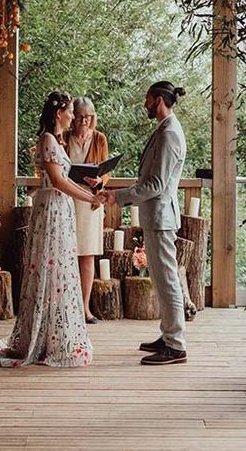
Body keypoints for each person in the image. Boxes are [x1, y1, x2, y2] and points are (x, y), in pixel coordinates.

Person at [0, 91, 103, 368]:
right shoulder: (47, 139)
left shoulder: (57, 141)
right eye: (69, 112)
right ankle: (43, 337)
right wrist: (89, 197)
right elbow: (57, 180)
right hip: (52, 208)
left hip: (60, 208)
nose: (72, 117)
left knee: (60, 268)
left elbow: (64, 177)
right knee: (49, 266)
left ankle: (55, 334)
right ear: (59, 114)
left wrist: (88, 187)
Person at [104, 81, 187, 365]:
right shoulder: (164, 129)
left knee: (167, 281)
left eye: (148, 99)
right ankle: (167, 335)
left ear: (159, 100)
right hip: (156, 217)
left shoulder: (170, 134)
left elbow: (155, 184)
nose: (145, 104)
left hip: (162, 218)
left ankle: (175, 345)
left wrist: (119, 197)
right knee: (161, 280)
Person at [65, 96, 111, 324]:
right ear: (73, 117)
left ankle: (85, 308)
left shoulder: (100, 139)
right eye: (80, 116)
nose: (84, 121)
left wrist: (99, 182)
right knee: (66, 255)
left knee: (87, 256)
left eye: (88, 117)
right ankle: (66, 306)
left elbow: (105, 170)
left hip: (91, 202)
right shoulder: (63, 137)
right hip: (67, 200)